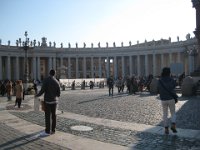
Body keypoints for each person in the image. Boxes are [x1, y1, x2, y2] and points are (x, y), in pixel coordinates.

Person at [35, 69, 61, 136]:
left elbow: (42, 91)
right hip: (54, 101)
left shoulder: (46, 80)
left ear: (49, 73)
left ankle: (47, 131)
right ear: (54, 74)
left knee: (47, 116)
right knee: (54, 116)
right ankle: (53, 130)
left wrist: (37, 95)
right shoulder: (57, 81)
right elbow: (59, 94)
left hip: (48, 101)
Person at [158, 67, 177, 134]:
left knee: (165, 114)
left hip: (163, 99)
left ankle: (166, 129)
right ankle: (173, 125)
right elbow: (174, 86)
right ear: (169, 72)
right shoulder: (171, 79)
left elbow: (158, 89)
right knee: (173, 113)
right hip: (171, 98)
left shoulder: (160, 80)